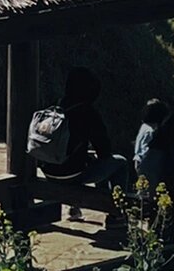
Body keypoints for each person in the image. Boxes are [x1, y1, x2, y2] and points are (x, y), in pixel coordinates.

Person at [31, 66, 130, 194]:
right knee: (120, 163)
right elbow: (104, 151)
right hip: (71, 175)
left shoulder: (55, 106)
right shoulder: (88, 112)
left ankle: (102, 203)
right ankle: (115, 209)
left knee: (92, 161)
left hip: (48, 171)